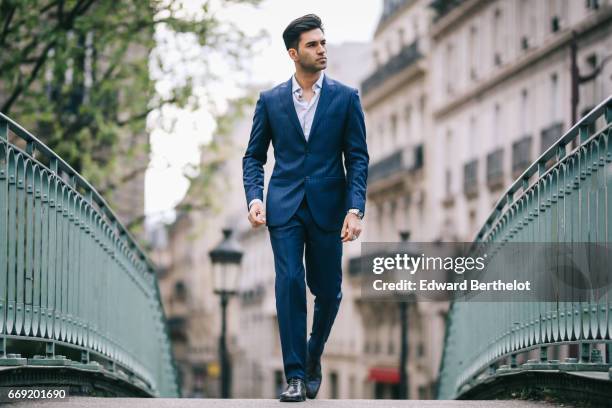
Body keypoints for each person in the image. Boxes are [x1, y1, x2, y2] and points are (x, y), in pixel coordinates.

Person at [242, 14, 368, 402]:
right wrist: (255, 197)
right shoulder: (271, 100)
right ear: (294, 53)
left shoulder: (347, 98)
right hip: (284, 206)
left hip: (330, 207)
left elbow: (358, 157)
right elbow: (253, 157)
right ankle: (295, 376)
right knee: (290, 283)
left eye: (324, 43)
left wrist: (355, 208)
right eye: (313, 45)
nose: (322, 49)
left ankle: (313, 355)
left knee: (329, 293)